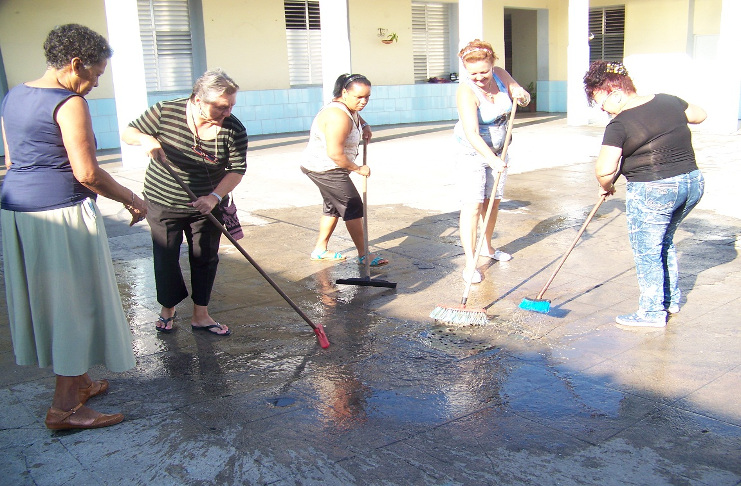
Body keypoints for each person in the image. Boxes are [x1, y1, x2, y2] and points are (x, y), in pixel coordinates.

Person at [0, 24, 147, 430]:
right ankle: (64, 407)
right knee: (73, 303)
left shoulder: (16, 94)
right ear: (76, 63)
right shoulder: (69, 103)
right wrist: (131, 199)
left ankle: (79, 381)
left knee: (51, 297)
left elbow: (12, 161)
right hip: (60, 212)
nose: (96, 83)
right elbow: (86, 173)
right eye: (96, 73)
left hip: (18, 208)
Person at [122, 69, 247, 336]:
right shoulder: (165, 111)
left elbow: (237, 169)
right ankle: (167, 308)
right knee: (165, 255)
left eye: (231, 106)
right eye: (221, 107)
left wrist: (213, 197)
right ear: (198, 100)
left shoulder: (233, 129)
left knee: (205, 257)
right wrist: (145, 138)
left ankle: (201, 314)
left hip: (206, 205)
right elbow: (129, 132)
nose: (227, 113)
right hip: (162, 199)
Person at [583, 60, 706, 328]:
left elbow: (604, 170)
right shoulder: (668, 100)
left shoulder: (620, 124)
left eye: (600, 101)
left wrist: (607, 186)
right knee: (664, 241)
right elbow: (699, 115)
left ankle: (651, 313)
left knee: (647, 250)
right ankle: (670, 300)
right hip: (692, 182)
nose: (602, 109)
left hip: (654, 188)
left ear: (614, 93)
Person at [453, 39, 530, 283]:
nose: (479, 77)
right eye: (472, 73)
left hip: (501, 148)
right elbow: (472, 133)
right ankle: (469, 263)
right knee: (473, 205)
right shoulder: (466, 91)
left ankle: (487, 247)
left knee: (493, 202)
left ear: (492, 64)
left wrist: (521, 94)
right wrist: (492, 159)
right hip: (473, 153)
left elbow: (522, 96)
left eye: (483, 71)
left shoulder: (499, 74)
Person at [300, 73, 388, 267]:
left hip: (330, 167)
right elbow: (335, 154)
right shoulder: (337, 116)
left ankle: (320, 250)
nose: (363, 101)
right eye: (359, 97)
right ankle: (364, 254)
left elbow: (355, 113)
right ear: (344, 93)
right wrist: (358, 169)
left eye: (367, 97)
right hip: (325, 168)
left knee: (332, 207)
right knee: (352, 205)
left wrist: (363, 124)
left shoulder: (348, 107)